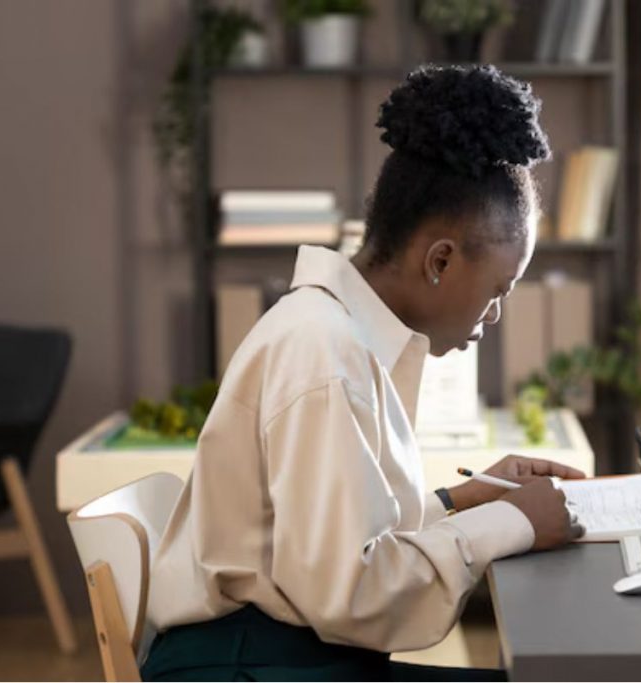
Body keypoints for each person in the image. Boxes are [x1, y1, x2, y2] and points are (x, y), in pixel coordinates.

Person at [141, 64, 585, 681]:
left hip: (279, 652)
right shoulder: (324, 353)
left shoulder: (337, 332)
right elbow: (348, 592)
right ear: (440, 261)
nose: (497, 312)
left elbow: (334, 542)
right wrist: (514, 522)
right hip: (246, 666)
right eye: (498, 288)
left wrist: (464, 498)